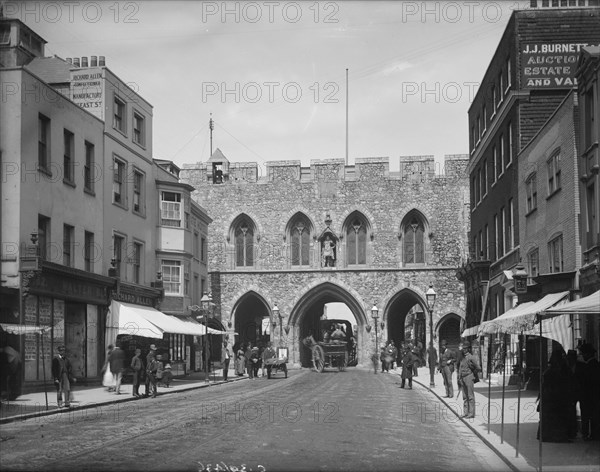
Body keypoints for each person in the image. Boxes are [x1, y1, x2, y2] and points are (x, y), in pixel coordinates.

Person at [538, 348, 572, 442]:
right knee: (556, 417)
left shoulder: (551, 371)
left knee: (552, 417)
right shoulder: (555, 371)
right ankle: (556, 436)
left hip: (551, 397)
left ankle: (549, 435)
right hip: (554, 397)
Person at [578, 342, 600, 441]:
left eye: (583, 354)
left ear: (587, 354)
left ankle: (587, 434)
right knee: (594, 416)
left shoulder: (589, 366)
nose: (582, 356)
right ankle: (593, 434)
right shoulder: (595, 364)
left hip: (588, 396)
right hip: (594, 396)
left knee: (587, 415)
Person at [457, 341, 481, 419]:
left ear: (468, 349)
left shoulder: (471, 357)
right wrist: (459, 378)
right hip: (463, 377)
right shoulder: (462, 357)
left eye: (465, 348)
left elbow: (478, 368)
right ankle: (465, 412)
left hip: (469, 377)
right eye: (463, 348)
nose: (464, 350)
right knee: (464, 396)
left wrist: (472, 374)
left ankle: (471, 413)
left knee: (470, 396)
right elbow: (460, 368)